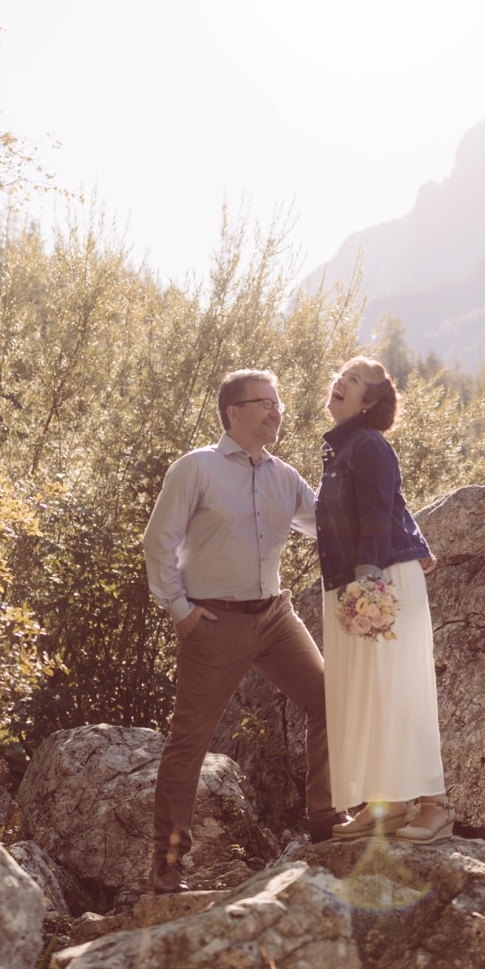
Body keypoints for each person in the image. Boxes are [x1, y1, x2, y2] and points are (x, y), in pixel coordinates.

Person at [143, 368, 340, 892]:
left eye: (277, 402)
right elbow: (157, 541)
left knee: (328, 701)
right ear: (234, 413)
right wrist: (178, 608)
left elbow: (329, 525)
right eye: (265, 403)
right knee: (189, 741)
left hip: (276, 618)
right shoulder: (196, 468)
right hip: (213, 622)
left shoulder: (283, 476)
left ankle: (325, 819)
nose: (277, 411)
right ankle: (167, 865)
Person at [315, 356, 454, 843]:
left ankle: (435, 805)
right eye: (340, 376)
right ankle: (390, 804)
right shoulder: (346, 448)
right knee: (371, 692)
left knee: (398, 689)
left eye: (351, 381)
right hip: (355, 581)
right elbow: (389, 504)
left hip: (377, 578)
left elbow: (377, 511)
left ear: (368, 401)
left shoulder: (369, 444)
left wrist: (369, 583)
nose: (340, 383)